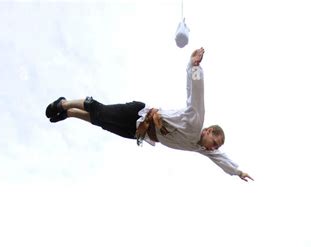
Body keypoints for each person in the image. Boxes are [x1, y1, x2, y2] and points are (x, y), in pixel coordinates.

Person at [46, 48, 252, 180]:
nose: (213, 148)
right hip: (138, 114)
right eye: (214, 142)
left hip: (140, 133)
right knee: (100, 111)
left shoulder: (202, 149)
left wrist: (238, 172)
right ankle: (64, 103)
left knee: (102, 122)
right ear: (208, 131)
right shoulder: (196, 122)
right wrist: (193, 66)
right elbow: (196, 93)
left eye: (216, 146)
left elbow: (221, 159)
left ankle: (70, 114)